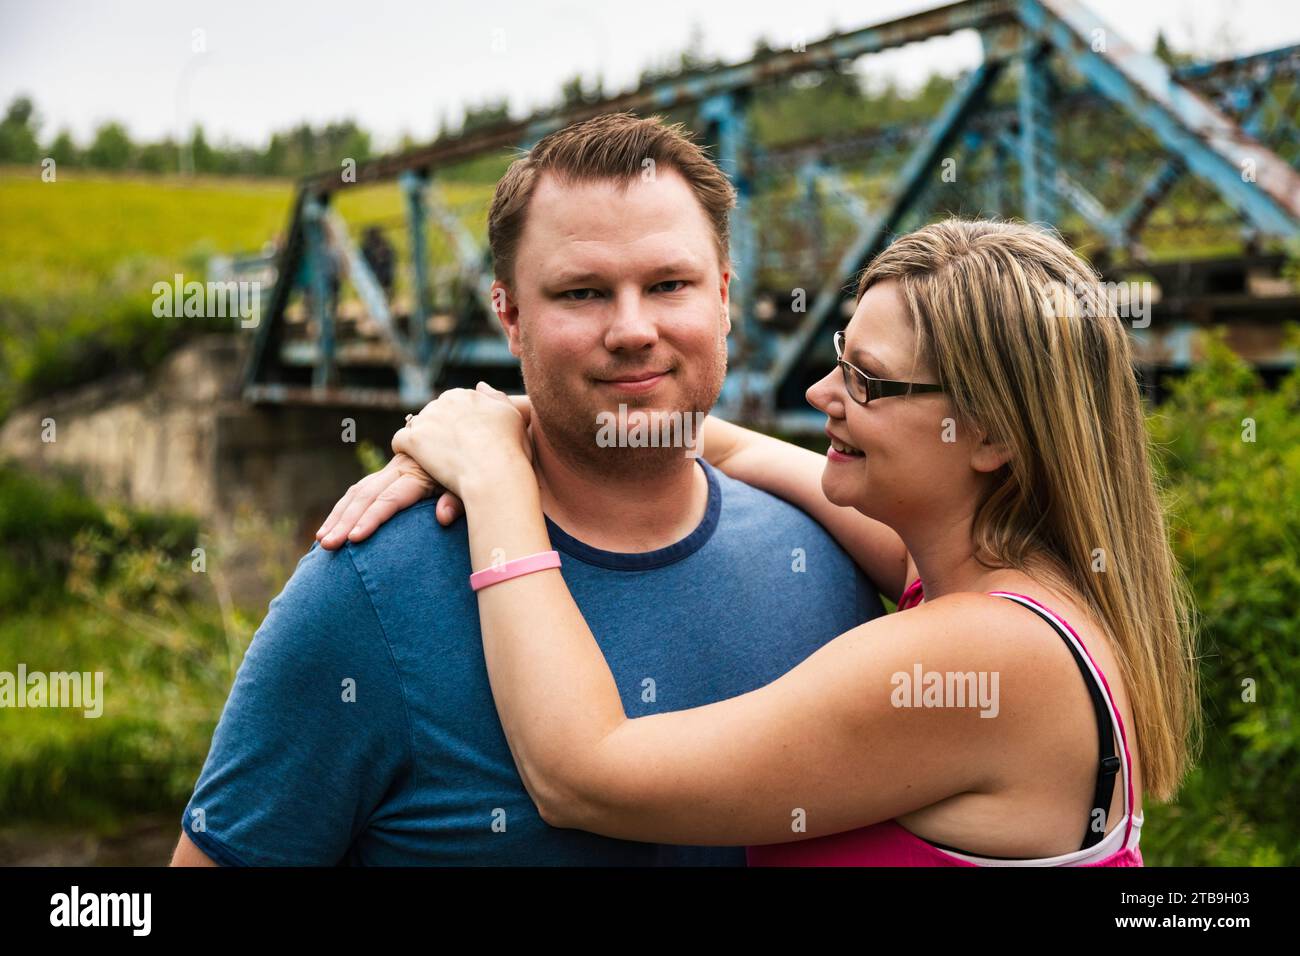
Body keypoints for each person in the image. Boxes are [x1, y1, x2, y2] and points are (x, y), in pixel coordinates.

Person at [320, 217, 1201, 866]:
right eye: (837, 355)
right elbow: (726, 444)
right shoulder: (995, 578)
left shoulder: (983, 659)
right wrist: (517, 420)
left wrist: (496, 483)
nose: (822, 392)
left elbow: (583, 775)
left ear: (990, 436)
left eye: (868, 381)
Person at [170, 113, 888, 867]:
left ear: (725, 298)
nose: (633, 329)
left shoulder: (827, 561)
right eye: (582, 293)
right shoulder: (366, 593)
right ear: (509, 317)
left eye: (670, 283)